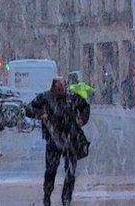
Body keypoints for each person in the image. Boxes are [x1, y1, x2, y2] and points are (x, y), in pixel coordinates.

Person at [28, 77, 90, 206]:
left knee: (71, 171)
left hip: (71, 139)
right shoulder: (45, 97)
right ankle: (47, 194)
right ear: (53, 87)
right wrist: (41, 114)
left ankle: (66, 198)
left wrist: (82, 120)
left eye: (63, 86)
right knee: (51, 170)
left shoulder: (72, 98)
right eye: (59, 86)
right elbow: (29, 108)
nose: (61, 88)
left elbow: (85, 107)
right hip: (53, 138)